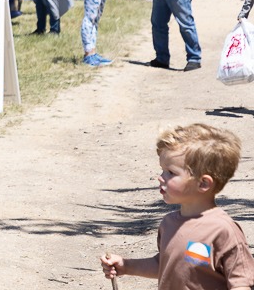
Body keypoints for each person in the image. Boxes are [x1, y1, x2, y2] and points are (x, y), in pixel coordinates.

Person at [101, 124, 254, 289]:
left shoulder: (222, 230)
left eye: (171, 172)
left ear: (203, 183)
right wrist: (126, 266)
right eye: (162, 170)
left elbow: (241, 283)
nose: (160, 177)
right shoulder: (169, 224)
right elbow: (164, 265)